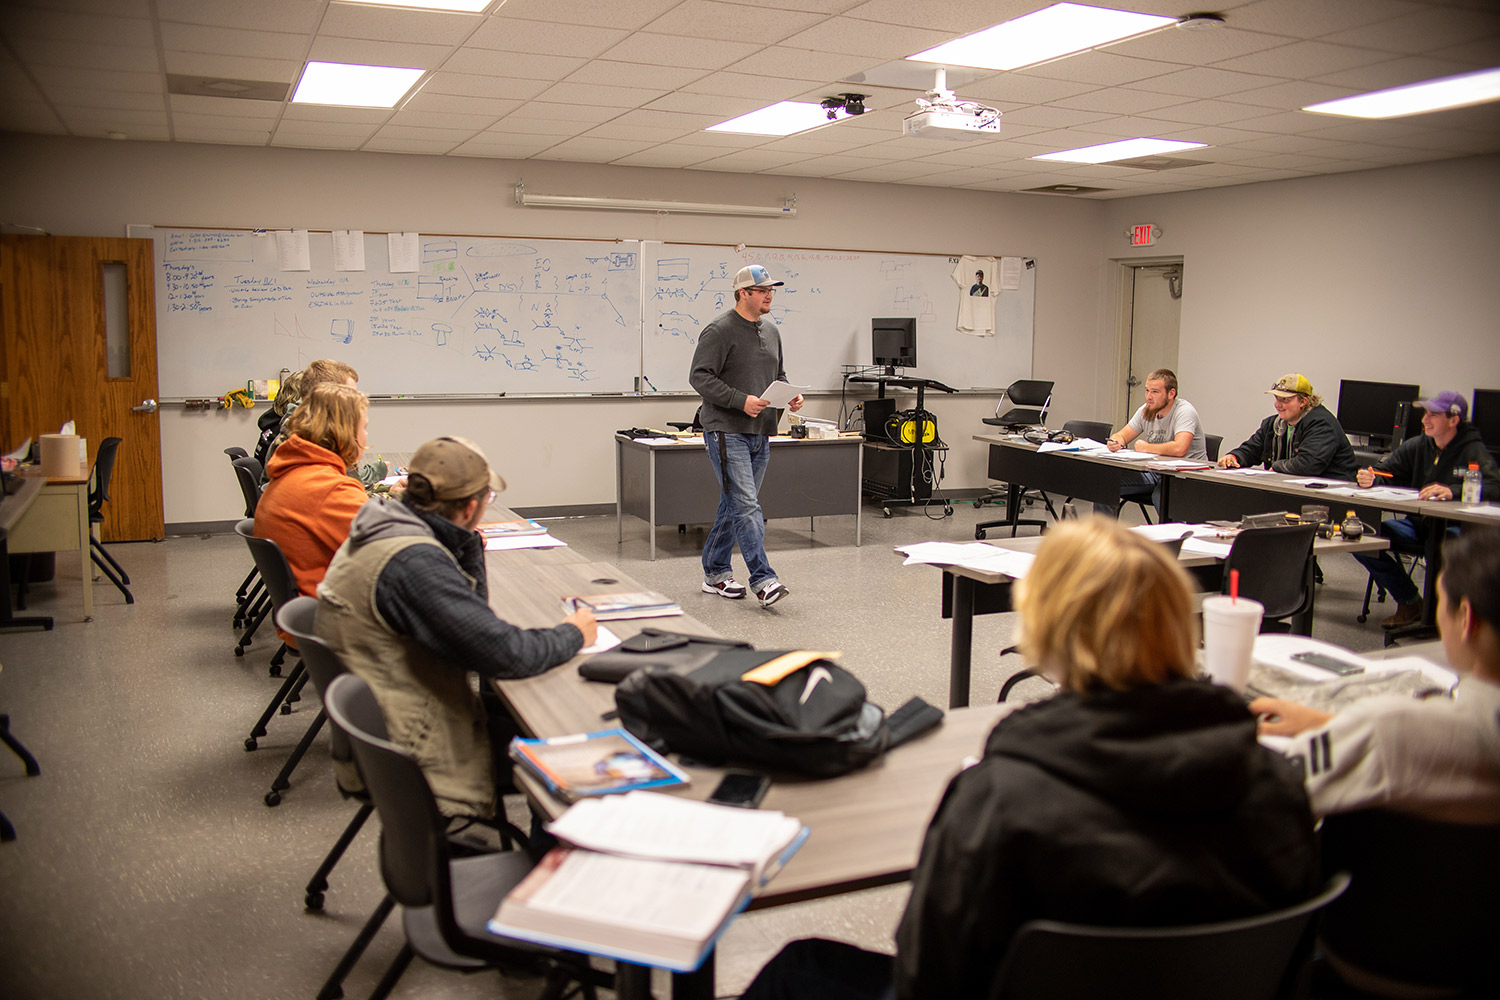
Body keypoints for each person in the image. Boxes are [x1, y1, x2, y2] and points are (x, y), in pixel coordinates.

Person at [740, 519, 1319, 1000]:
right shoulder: (1275, 781)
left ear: (1045, 631)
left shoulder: (999, 801)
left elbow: (928, 977)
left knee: (796, 971)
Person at [315, 436, 597, 820]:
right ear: (469, 507)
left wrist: (466, 543)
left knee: (531, 716)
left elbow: (471, 627)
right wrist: (575, 632)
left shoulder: (385, 526)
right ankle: (549, 854)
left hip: (394, 723)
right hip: (418, 747)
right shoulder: (413, 562)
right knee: (570, 734)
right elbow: (504, 654)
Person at [1252, 526, 1500, 823]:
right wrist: (1334, 725)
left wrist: (1352, 731)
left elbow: (1272, 793)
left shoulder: (1388, 730)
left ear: (1466, 618)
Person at [688, 264, 803, 608]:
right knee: (748, 506)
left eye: (772, 290)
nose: (769, 295)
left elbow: (777, 374)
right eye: (763, 290)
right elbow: (700, 377)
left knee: (735, 504)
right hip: (726, 430)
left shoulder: (772, 331)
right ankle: (763, 579)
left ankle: (716, 572)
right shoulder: (719, 331)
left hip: (761, 431)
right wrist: (741, 401)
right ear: (743, 293)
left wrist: (790, 395)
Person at [1350, 391, 1500, 628]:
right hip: (1418, 524)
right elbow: (1387, 472)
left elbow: (1495, 486)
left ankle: (1443, 616)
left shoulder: (1472, 450)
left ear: (1453, 420)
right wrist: (1372, 478)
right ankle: (1410, 602)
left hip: (1456, 527)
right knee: (1359, 536)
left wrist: (1453, 491)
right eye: (1425, 414)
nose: (1425, 420)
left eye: (1434, 415)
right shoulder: (1419, 444)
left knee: (1439, 546)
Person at [253, 382, 369, 598]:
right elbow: (385, 551)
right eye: (364, 427)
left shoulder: (292, 469)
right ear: (344, 432)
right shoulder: (330, 488)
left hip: (305, 607)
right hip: (333, 611)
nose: (366, 435)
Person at [1095, 367, 1207, 515]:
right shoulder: (1146, 410)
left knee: (1162, 496)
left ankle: (1174, 537)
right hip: (1155, 472)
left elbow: (1180, 448)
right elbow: (1123, 435)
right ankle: (1103, 536)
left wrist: (1147, 448)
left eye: (1155, 392)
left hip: (1186, 476)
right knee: (1105, 486)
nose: (1148, 397)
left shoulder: (1184, 411)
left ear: (1171, 393)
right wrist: (1115, 441)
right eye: (1147, 390)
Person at [1218, 373, 1357, 480]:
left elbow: (1308, 465)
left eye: (1285, 399)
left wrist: (1277, 466)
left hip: (1332, 495)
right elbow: (1252, 449)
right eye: (1277, 398)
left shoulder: (1322, 424)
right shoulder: (1273, 424)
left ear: (1303, 401)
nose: (1278, 404)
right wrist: (1235, 457)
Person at [257, 358, 360, 481]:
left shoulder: (301, 426)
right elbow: (346, 490)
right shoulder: (310, 438)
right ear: (328, 396)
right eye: (350, 396)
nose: (354, 403)